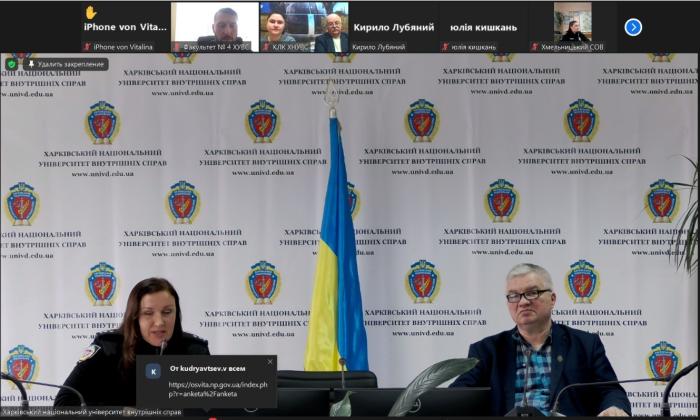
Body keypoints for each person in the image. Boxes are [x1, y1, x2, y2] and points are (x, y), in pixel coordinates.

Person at [450, 263, 630, 416]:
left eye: (532, 292)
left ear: (552, 299)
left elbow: (611, 390)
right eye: (514, 295)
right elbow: (458, 397)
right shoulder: (487, 351)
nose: (523, 302)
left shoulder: (585, 344)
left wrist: (614, 407)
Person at [54, 278, 210, 406]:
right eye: (148, 313)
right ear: (135, 316)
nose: (159, 322)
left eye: (167, 312)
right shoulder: (108, 347)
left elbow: (212, 411)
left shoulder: (194, 351)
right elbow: (64, 403)